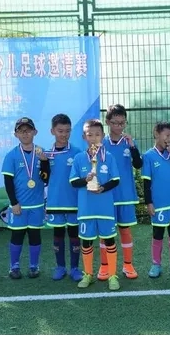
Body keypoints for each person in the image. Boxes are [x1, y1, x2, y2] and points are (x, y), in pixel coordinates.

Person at [69, 119, 121, 290]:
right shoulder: (78, 158)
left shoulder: (109, 157)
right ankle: (88, 274)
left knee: (109, 241)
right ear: (84, 137)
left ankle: (112, 275)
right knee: (86, 242)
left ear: (103, 136)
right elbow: (73, 182)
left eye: (97, 134)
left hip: (105, 209)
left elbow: (116, 180)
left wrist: (103, 188)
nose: (93, 138)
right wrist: (86, 180)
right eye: (90, 135)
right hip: (86, 209)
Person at [2, 117, 50, 279]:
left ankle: (34, 266)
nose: (25, 133)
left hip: (36, 205)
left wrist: (44, 162)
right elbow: (8, 181)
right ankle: (14, 267)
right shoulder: (12, 155)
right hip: (19, 206)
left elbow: (46, 178)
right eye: (21, 131)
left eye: (28, 130)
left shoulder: (41, 152)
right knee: (17, 236)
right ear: (16, 134)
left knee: (35, 236)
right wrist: (14, 203)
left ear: (35, 132)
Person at [141, 121, 170, 278]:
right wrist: (149, 203)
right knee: (158, 234)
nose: (169, 139)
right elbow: (146, 182)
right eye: (167, 135)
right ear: (156, 134)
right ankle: (156, 264)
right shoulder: (148, 156)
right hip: (159, 204)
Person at [101, 104, 142, 280]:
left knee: (125, 230)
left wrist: (133, 146)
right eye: (115, 123)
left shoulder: (129, 142)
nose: (119, 126)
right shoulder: (101, 143)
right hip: (106, 195)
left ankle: (128, 265)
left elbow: (138, 165)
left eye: (122, 123)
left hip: (125, 195)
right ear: (107, 122)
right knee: (105, 233)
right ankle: (105, 266)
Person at [44, 114, 83, 282]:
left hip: (74, 202)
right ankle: (60, 267)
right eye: (60, 131)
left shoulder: (78, 153)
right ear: (52, 131)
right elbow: (44, 178)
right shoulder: (46, 155)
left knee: (74, 234)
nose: (64, 134)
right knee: (58, 234)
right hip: (55, 202)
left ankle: (75, 268)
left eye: (67, 131)